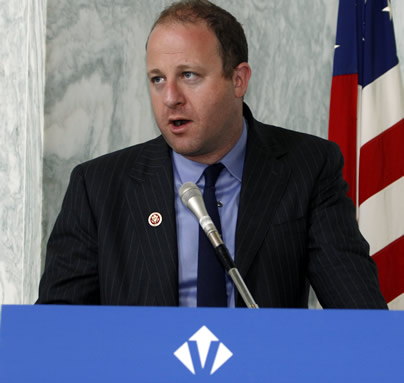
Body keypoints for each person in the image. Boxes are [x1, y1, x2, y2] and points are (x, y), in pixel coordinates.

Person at [37, 0, 387, 309]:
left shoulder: (307, 167)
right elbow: (55, 331)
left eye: (188, 75)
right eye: (157, 79)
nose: (170, 97)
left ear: (238, 80)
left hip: (261, 380)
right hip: (145, 382)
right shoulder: (98, 186)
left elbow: (358, 315)